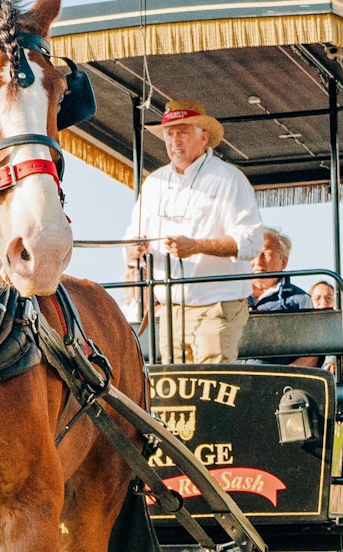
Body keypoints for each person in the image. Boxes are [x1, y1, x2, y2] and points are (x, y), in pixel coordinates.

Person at [124, 100, 263, 364]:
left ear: (204, 138)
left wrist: (198, 246)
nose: (175, 141)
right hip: (169, 311)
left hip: (217, 306)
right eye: (169, 134)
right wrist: (133, 250)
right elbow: (132, 239)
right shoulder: (154, 183)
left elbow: (251, 241)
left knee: (212, 391)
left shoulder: (229, 179)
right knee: (176, 396)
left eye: (183, 132)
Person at [249, 228, 311, 312]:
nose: (258, 261)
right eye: (253, 254)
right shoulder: (233, 293)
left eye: (267, 254)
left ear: (283, 262)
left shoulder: (299, 299)